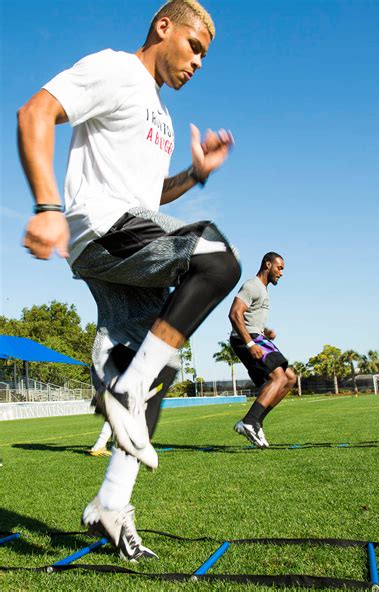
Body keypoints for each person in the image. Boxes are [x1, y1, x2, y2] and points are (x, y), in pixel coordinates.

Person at [18, 0, 241, 561]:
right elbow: (35, 112)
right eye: (194, 48)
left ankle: (111, 505)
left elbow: (149, 199)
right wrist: (46, 205)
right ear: (164, 28)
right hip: (101, 229)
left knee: (161, 369)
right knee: (218, 258)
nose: (197, 64)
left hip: (132, 235)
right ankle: (123, 384)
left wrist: (194, 174)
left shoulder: (159, 115)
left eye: (205, 59)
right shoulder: (116, 69)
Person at [229, 252, 296, 448]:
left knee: (290, 378)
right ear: (268, 265)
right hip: (247, 340)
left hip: (257, 337)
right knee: (279, 378)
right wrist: (250, 344)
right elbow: (234, 314)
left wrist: (265, 331)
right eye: (279, 268)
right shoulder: (252, 286)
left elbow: (250, 318)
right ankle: (249, 421)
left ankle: (256, 421)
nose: (281, 273)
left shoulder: (264, 290)